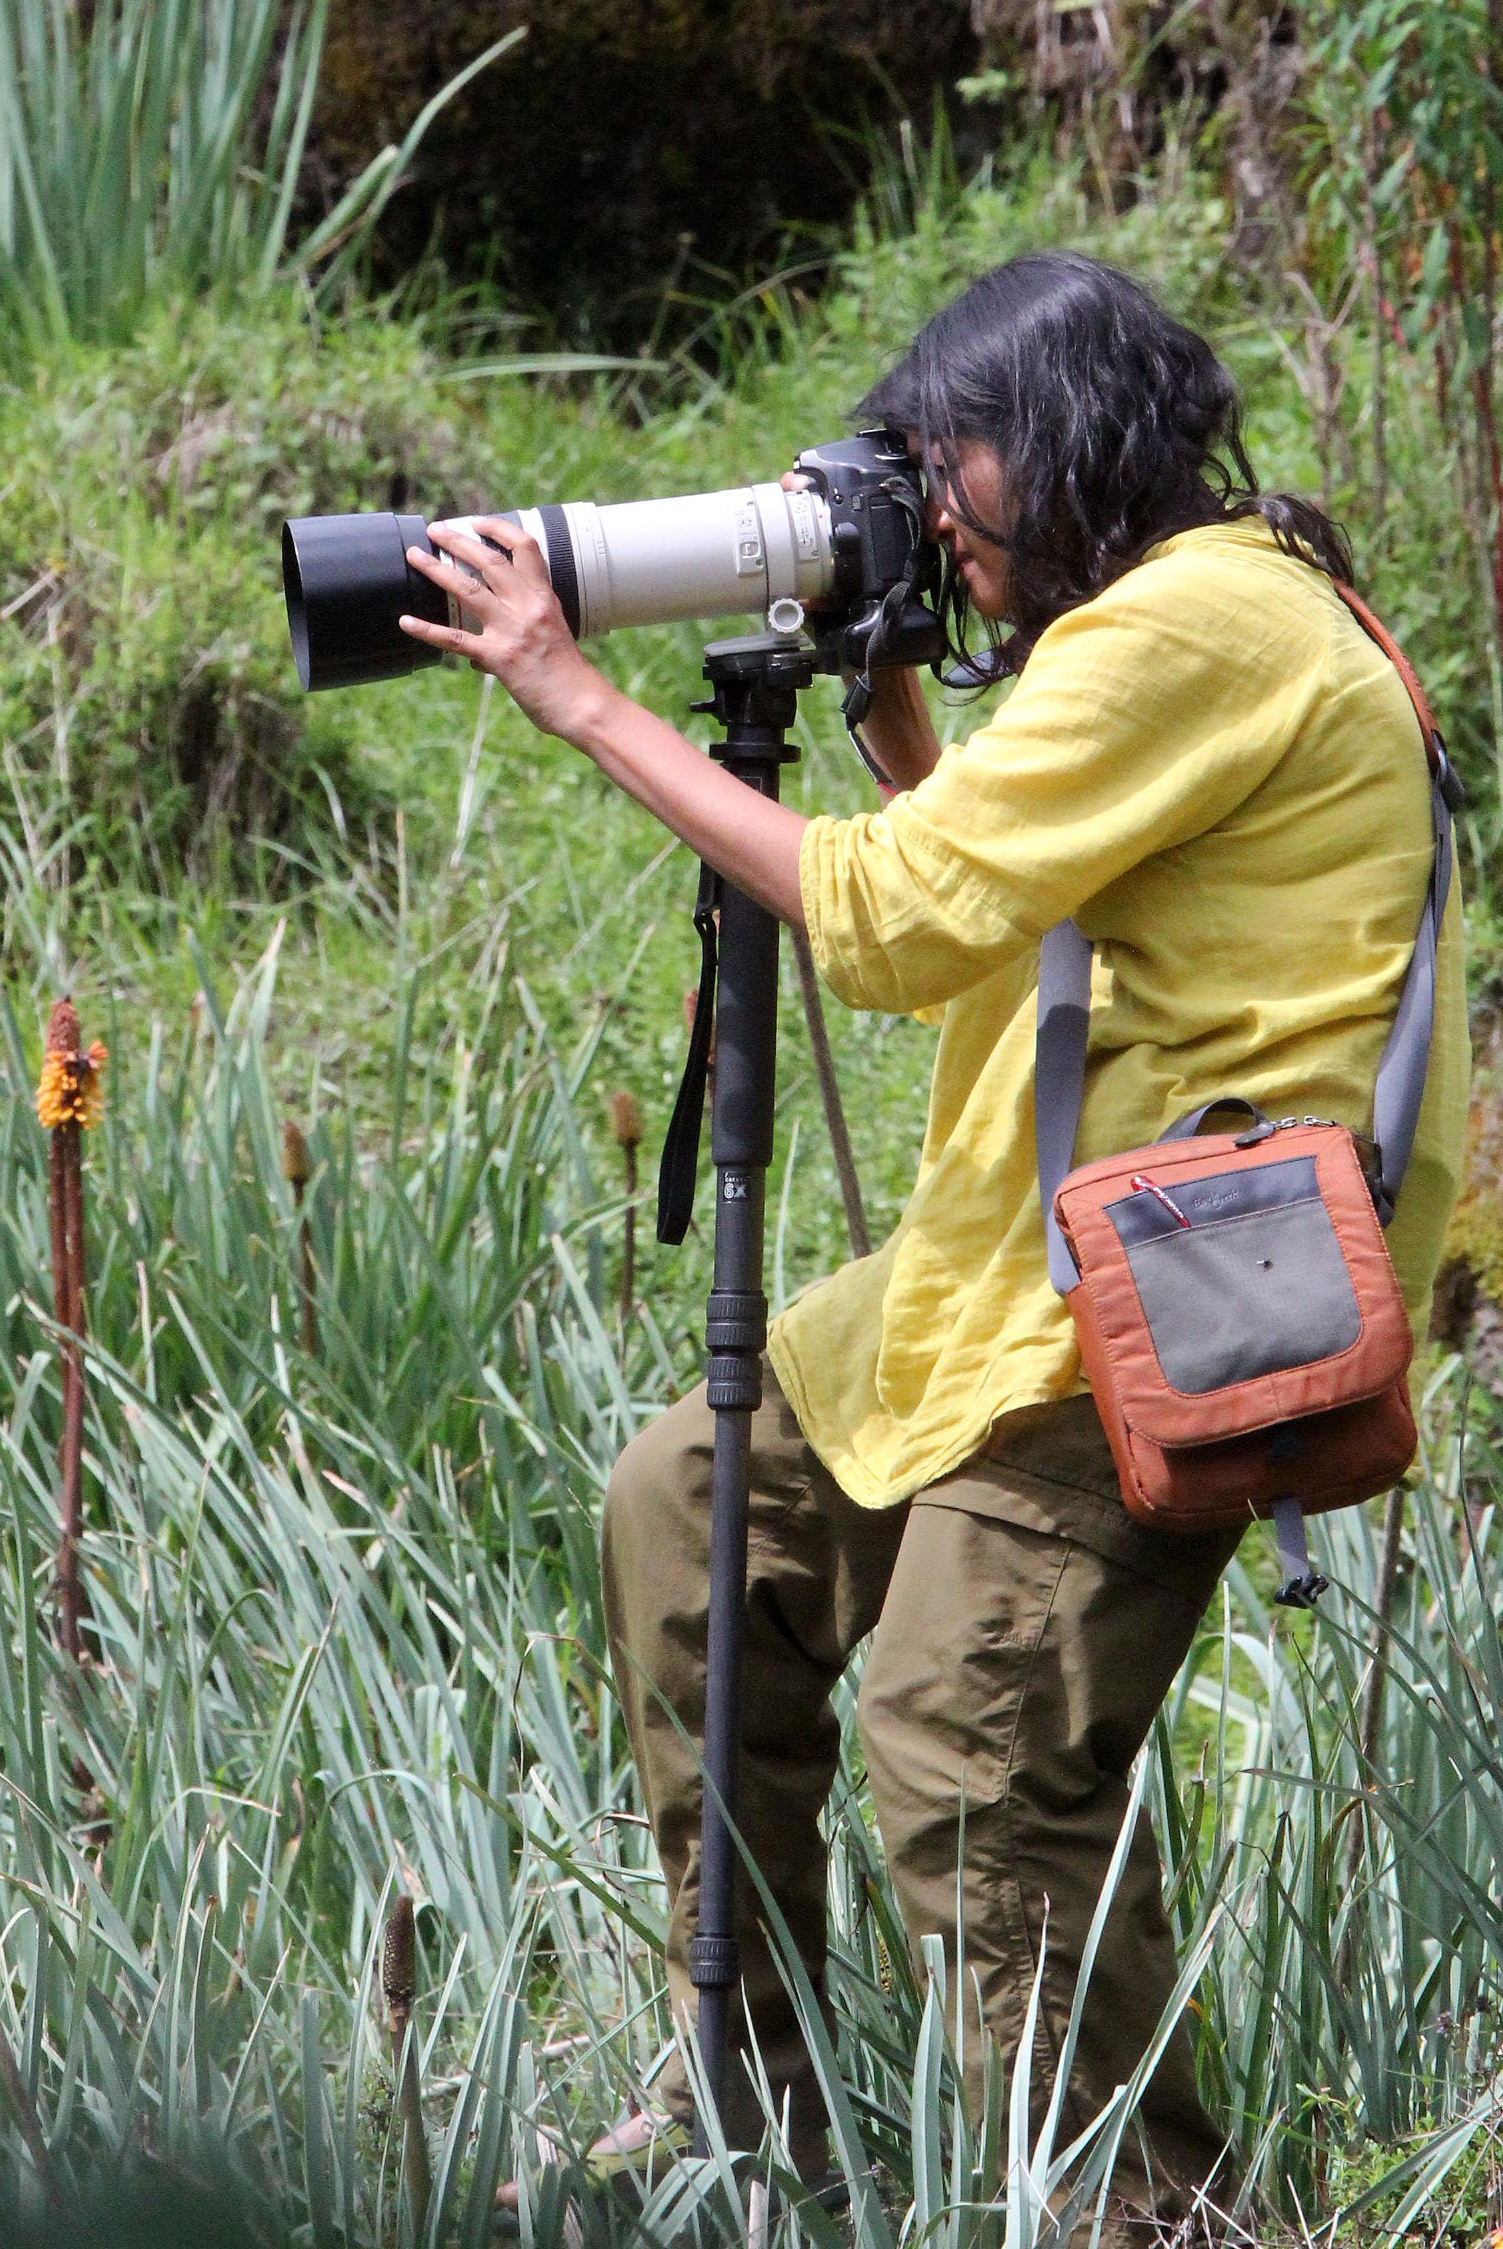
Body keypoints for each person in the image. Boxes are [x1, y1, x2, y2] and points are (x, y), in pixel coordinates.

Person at [400, 254, 1470, 2242]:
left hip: (1193, 1286)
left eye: (937, 460)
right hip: (1051, 1272)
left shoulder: (1195, 623)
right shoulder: (1175, 615)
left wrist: (569, 689)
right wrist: (887, 687)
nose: (929, 502)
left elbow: (887, 923)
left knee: (964, 1724)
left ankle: (1142, 2217)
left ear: (1052, 438)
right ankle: (759, 2101)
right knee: (690, 1506)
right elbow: (984, 893)